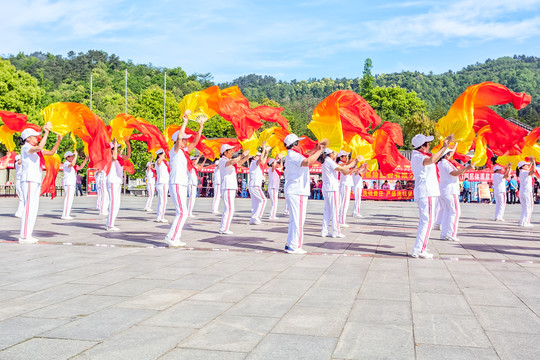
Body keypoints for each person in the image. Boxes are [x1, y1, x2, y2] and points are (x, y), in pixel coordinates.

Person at [164, 112, 206, 246]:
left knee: (183, 212)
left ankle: (174, 237)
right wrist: (185, 122)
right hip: (176, 182)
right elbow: (180, 137)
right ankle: (171, 238)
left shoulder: (184, 151)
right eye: (184, 139)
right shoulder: (174, 150)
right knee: (182, 212)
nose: (186, 140)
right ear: (178, 140)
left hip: (182, 183)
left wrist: (200, 127)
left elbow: (195, 141)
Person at [410, 133, 452, 259]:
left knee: (428, 221)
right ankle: (419, 249)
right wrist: (444, 148)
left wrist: (445, 147)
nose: (429, 146)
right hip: (426, 192)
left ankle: (421, 246)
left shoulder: (420, 155)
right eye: (427, 144)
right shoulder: (418, 156)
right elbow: (432, 160)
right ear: (422, 146)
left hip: (428, 192)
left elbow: (432, 158)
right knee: (427, 221)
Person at [19, 124, 63, 243]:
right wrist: (46, 133)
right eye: (34, 137)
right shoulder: (26, 148)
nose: (36, 138)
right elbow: (39, 147)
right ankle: (23, 236)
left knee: (33, 208)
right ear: (28, 138)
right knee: (28, 208)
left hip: (35, 180)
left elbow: (52, 152)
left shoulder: (36, 151)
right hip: (28, 179)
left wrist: (59, 140)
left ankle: (28, 234)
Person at [283, 134, 325, 253]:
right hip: (298, 191)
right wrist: (320, 151)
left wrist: (316, 149)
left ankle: (291, 243)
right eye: (298, 143)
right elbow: (307, 161)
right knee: (299, 220)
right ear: (294, 144)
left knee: (294, 219)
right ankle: (296, 246)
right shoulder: (294, 155)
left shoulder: (292, 155)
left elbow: (307, 156)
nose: (300, 145)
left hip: (294, 190)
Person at [320, 148, 358, 238]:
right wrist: (354, 162)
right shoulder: (329, 161)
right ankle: (336, 231)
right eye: (334, 152)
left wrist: (351, 164)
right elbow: (342, 168)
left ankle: (324, 231)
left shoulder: (326, 161)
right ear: (331, 154)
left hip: (326, 188)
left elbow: (342, 166)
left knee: (327, 211)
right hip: (332, 189)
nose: (336, 154)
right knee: (335, 210)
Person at [437, 146, 473, 241]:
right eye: (449, 153)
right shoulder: (445, 163)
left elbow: (451, 154)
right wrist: (467, 168)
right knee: (455, 212)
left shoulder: (440, 162)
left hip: (444, 190)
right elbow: (454, 173)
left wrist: (456, 144)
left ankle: (444, 234)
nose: (451, 155)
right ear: (446, 155)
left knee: (447, 212)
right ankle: (451, 234)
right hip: (450, 190)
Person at [218, 145, 250, 234]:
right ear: (225, 152)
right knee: (229, 209)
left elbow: (238, 163)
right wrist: (242, 155)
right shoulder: (222, 160)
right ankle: (224, 229)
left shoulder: (228, 161)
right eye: (230, 151)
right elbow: (232, 161)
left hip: (231, 187)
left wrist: (247, 156)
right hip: (227, 186)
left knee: (229, 208)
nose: (232, 153)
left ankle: (224, 228)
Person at [106, 138, 131, 231]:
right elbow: (114, 157)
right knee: (113, 203)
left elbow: (128, 155)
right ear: (111, 149)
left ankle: (110, 223)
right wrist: (114, 145)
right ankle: (110, 225)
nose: (117, 149)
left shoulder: (119, 158)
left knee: (117, 204)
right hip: (112, 181)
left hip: (117, 182)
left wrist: (128, 144)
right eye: (115, 148)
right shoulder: (109, 156)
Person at [62, 150, 88, 220]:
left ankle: (67, 214)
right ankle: (65, 215)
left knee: (70, 199)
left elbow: (80, 167)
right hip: (68, 182)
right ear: (67, 157)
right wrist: (76, 155)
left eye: (73, 155)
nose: (73, 157)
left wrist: (85, 161)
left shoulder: (73, 165)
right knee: (68, 199)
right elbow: (72, 164)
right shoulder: (66, 163)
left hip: (72, 183)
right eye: (71, 156)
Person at [248, 146, 270, 225]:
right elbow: (261, 160)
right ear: (254, 157)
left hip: (253, 185)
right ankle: (257, 217)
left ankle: (253, 218)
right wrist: (264, 149)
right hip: (255, 185)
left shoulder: (255, 164)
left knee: (256, 203)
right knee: (263, 200)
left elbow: (263, 161)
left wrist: (266, 152)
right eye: (258, 155)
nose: (259, 157)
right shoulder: (254, 163)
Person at [337, 151, 355, 228]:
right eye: (345, 156)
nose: (347, 158)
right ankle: (341, 221)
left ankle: (341, 219)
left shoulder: (344, 163)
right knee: (344, 203)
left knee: (344, 203)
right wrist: (352, 170)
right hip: (345, 184)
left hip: (346, 184)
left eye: (348, 156)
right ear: (341, 157)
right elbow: (345, 173)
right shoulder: (340, 163)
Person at [517, 158, 536, 227]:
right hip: (527, 192)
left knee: (524, 207)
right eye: (526, 165)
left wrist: (530, 163)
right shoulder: (525, 172)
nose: (528, 166)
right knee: (529, 207)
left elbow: (529, 168)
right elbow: (533, 170)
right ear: (522, 166)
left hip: (522, 192)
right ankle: (526, 222)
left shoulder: (521, 172)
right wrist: (534, 162)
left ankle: (522, 221)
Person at [155, 148, 170, 223]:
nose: (164, 155)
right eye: (163, 154)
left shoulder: (165, 163)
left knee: (161, 201)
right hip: (162, 183)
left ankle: (159, 216)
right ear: (159, 155)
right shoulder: (158, 161)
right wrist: (162, 153)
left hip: (163, 183)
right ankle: (161, 217)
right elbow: (159, 161)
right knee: (164, 201)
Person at [267, 155, 283, 220]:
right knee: (274, 202)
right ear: (272, 164)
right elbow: (273, 166)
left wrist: (281, 159)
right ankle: (272, 216)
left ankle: (272, 215)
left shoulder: (276, 170)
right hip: (272, 187)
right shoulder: (271, 169)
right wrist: (276, 159)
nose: (277, 164)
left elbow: (281, 167)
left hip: (275, 188)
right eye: (275, 162)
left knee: (275, 202)